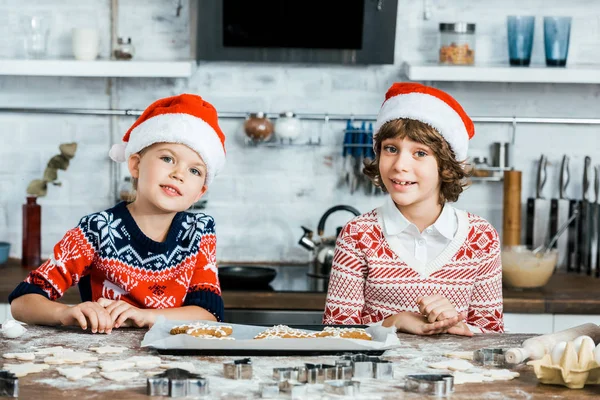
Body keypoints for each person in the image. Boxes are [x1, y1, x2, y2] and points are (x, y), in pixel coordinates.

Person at [9, 93, 227, 334]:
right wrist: (64, 313)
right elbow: (23, 301)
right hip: (104, 361)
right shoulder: (97, 229)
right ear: (135, 165)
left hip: (175, 364)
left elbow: (208, 315)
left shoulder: (199, 232)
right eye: (167, 158)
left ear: (199, 193)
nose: (179, 174)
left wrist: (145, 317)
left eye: (195, 171)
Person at [323, 83, 503, 335]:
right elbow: (335, 333)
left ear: (447, 167)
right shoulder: (357, 234)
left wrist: (458, 325)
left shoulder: (481, 237)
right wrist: (393, 321)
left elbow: (493, 337)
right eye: (391, 149)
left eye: (420, 153)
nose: (400, 165)